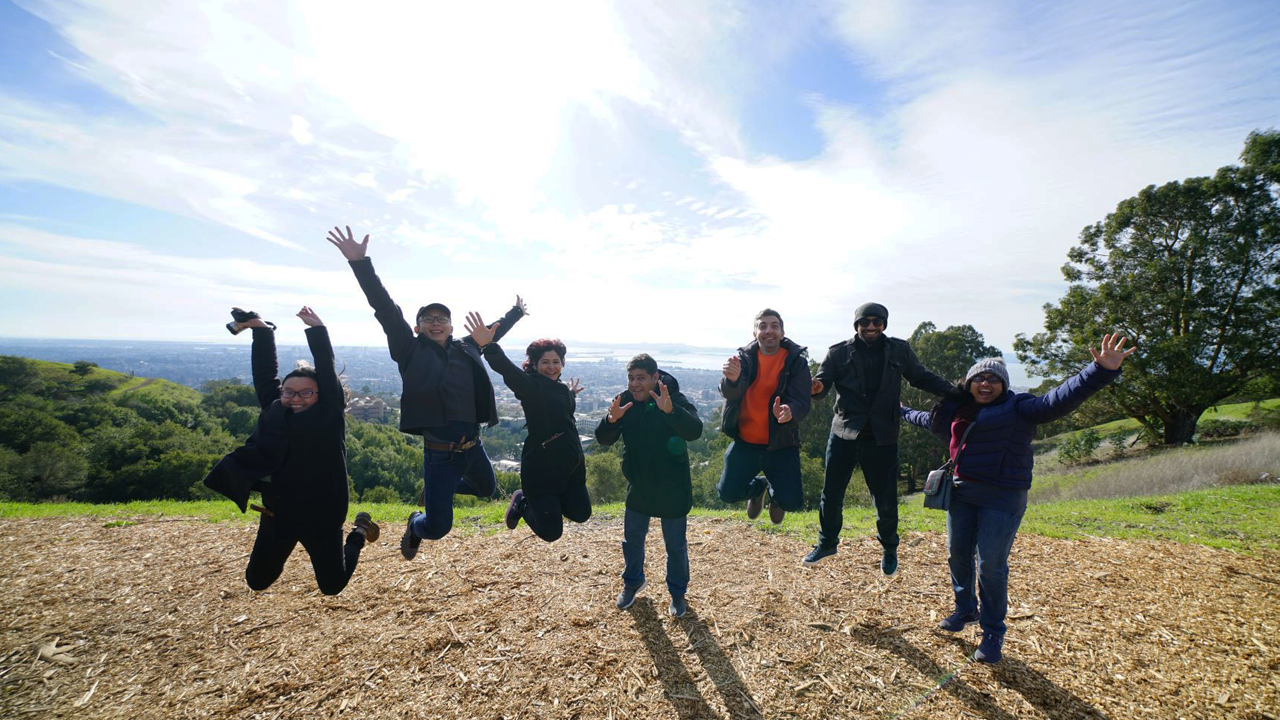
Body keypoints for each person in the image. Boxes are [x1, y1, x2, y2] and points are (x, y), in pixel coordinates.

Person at [901, 334, 1135, 664]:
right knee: (957, 555)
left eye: (993, 379)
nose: (985, 383)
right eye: (979, 378)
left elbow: (1059, 399)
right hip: (962, 492)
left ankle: (993, 631)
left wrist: (1099, 371)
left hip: (1003, 496)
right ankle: (965, 609)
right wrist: (899, 410)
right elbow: (924, 420)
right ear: (968, 383)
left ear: (1004, 385)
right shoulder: (956, 410)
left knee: (991, 565)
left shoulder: (1020, 408)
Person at [327, 226, 525, 558]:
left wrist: (516, 313)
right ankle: (415, 521)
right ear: (418, 326)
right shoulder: (409, 349)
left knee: (487, 489)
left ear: (451, 325)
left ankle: (438, 494)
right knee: (437, 528)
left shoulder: (468, 347)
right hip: (439, 452)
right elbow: (386, 310)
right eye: (428, 319)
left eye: (442, 318)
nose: (436, 322)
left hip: (472, 445)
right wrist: (361, 264)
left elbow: (493, 332)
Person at [203, 306, 379, 596]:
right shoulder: (275, 409)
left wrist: (317, 330)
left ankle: (360, 531)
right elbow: (264, 373)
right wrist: (261, 331)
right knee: (256, 581)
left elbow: (325, 365)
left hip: (321, 517)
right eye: (289, 392)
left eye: (306, 392)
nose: (295, 398)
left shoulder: (328, 417)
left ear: (321, 394)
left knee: (332, 586)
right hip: (278, 516)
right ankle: (355, 531)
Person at [806, 302, 956, 574]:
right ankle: (826, 543)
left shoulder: (900, 350)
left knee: (885, 500)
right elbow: (821, 385)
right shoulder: (838, 353)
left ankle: (889, 548)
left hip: (882, 436)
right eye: (865, 322)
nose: (871, 326)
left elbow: (920, 377)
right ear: (857, 325)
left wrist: (956, 393)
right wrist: (815, 388)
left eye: (877, 321)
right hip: (844, 434)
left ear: (884, 324)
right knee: (831, 494)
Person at [465, 313, 591, 542]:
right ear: (534, 364)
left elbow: (562, 410)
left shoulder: (562, 389)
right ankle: (523, 502)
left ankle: (550, 504)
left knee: (582, 514)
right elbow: (507, 370)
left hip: (571, 468)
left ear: (562, 364)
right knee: (552, 533)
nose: (551, 367)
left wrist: (571, 394)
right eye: (545, 362)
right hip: (542, 471)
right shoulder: (530, 387)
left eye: (556, 362)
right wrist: (488, 346)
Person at [595, 354, 703, 618]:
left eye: (641, 378)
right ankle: (633, 582)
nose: (634, 384)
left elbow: (695, 430)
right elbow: (603, 440)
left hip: (672, 486)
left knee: (675, 545)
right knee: (632, 540)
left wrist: (671, 412)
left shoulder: (673, 398)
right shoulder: (625, 401)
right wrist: (611, 421)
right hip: (640, 484)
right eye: (631, 378)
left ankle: (677, 593)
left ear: (655, 378)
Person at [716, 309, 812, 524]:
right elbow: (730, 394)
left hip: (781, 443)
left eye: (774, 326)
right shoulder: (744, 359)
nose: (769, 331)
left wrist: (789, 412)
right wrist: (731, 380)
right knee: (727, 494)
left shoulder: (796, 362)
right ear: (754, 333)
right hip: (746, 442)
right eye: (763, 326)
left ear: (782, 332)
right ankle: (759, 487)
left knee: (792, 503)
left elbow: (802, 401)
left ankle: (777, 498)